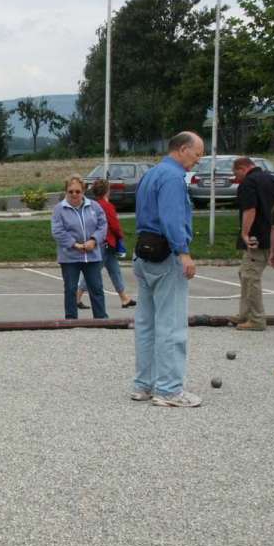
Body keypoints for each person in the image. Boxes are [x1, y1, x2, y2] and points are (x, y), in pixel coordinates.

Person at [131, 131, 203, 407]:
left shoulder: (151, 173)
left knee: (146, 324)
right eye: (197, 154)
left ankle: (143, 384)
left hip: (145, 253)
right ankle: (170, 389)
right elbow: (172, 218)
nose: (198, 161)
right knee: (171, 325)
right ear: (183, 149)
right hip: (167, 256)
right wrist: (183, 253)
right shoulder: (174, 178)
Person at [230, 156, 274, 331]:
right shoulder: (272, 179)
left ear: (243, 168)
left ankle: (256, 319)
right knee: (244, 273)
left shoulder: (248, 183)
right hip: (271, 234)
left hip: (256, 237)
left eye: (235, 173)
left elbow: (250, 209)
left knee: (251, 277)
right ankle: (244, 314)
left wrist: (244, 233)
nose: (235, 178)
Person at [51, 176, 108, 320]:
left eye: (78, 191)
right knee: (70, 289)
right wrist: (74, 244)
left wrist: (94, 241)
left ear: (83, 191)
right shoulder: (59, 209)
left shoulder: (94, 206)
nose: (74, 194)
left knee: (96, 288)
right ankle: (71, 319)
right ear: (66, 192)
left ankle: (101, 318)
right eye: (71, 191)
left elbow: (103, 225)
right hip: (70, 257)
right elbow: (57, 231)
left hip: (92, 255)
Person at [76, 179, 136, 310]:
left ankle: (124, 298)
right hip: (106, 243)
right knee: (93, 272)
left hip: (102, 244)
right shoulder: (107, 206)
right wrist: (121, 236)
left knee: (115, 271)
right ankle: (77, 296)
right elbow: (114, 225)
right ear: (107, 191)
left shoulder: (93, 205)